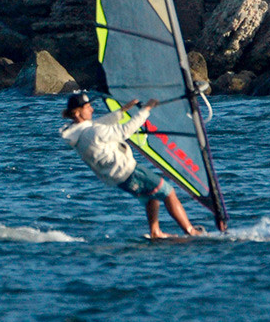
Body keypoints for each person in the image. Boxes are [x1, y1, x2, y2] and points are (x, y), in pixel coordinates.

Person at [59, 91, 205, 239]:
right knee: (168, 192)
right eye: (88, 107)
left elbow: (99, 124)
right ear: (77, 113)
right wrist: (145, 110)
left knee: (151, 196)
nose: (92, 110)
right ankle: (190, 231)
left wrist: (122, 111)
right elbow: (125, 130)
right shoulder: (93, 132)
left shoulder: (78, 133)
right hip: (129, 172)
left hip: (118, 179)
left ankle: (155, 232)